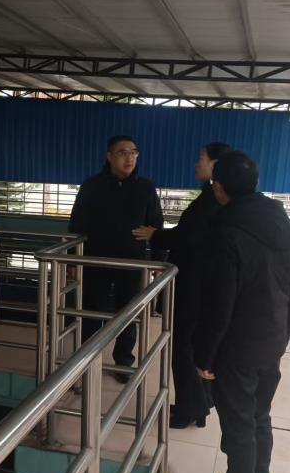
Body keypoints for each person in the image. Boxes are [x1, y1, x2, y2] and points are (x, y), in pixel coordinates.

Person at [190, 152, 290, 473]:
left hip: (238, 343)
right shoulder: (283, 225)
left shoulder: (228, 233)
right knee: (258, 415)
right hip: (272, 337)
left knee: (239, 420)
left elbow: (219, 305)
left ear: (218, 187)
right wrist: (283, 334)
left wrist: (205, 356)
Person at [132, 142, 232, 428]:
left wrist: (155, 235)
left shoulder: (211, 200)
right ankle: (199, 402)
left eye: (201, 158)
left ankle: (191, 408)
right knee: (194, 345)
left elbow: (188, 237)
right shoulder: (215, 197)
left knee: (184, 347)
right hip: (200, 282)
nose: (196, 163)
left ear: (216, 165)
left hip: (194, 285)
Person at [69, 135, 164, 383]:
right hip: (96, 260)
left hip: (132, 263)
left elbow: (156, 225)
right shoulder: (92, 186)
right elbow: (77, 224)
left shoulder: (145, 187)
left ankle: (123, 361)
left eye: (133, 152)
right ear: (109, 157)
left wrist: (158, 259)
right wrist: (72, 260)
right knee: (92, 312)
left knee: (128, 313)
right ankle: (87, 359)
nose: (129, 158)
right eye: (123, 152)